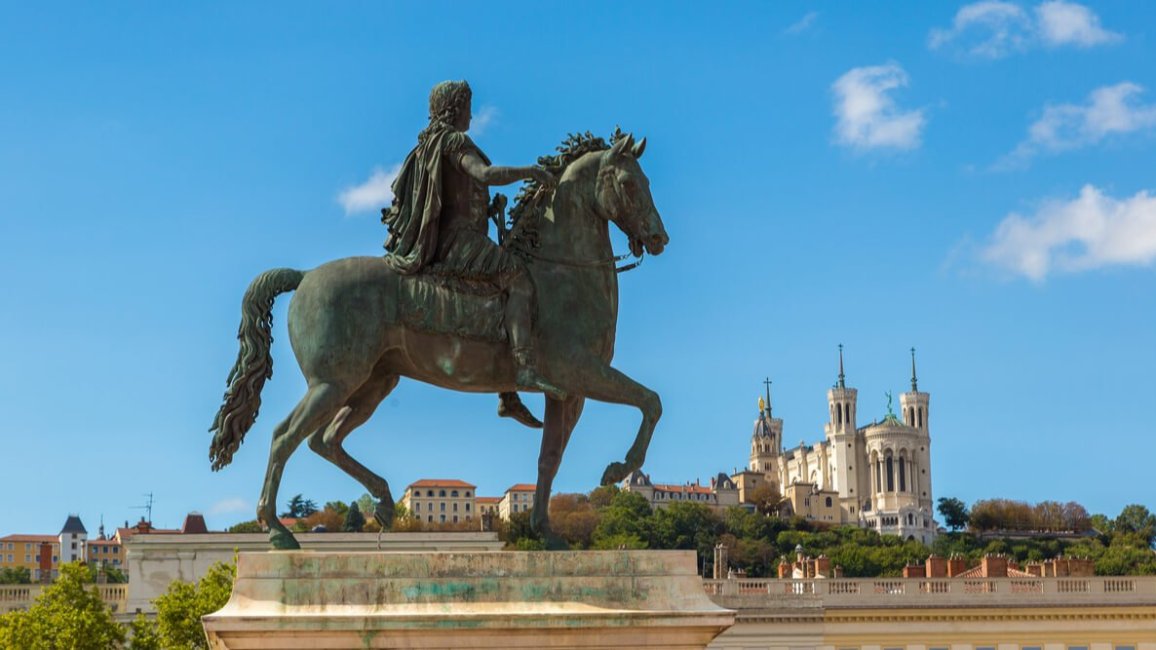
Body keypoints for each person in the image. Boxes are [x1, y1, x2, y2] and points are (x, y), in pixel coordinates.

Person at [381, 80, 563, 428]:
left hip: (448, 239)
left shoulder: (426, 144)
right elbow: (483, 173)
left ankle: (506, 394)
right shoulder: (453, 140)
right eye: (467, 105)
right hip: (459, 243)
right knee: (519, 279)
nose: (471, 113)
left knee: (499, 285)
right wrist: (530, 172)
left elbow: (459, 192)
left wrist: (484, 206)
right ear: (455, 107)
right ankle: (523, 371)